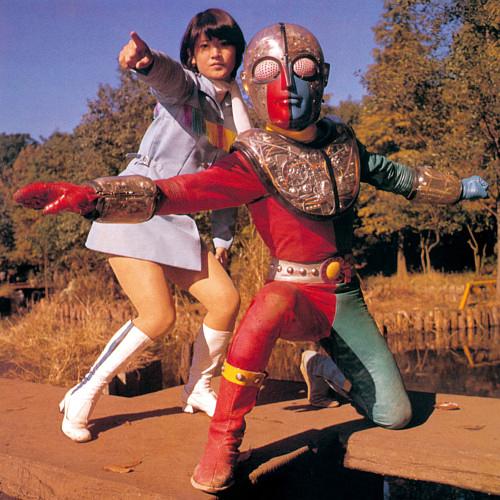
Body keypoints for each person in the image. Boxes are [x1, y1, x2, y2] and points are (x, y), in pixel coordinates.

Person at [14, 22, 489, 494]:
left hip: (340, 293)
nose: (290, 85)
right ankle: (215, 436)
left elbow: (397, 176)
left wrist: (459, 189)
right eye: (270, 72)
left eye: (303, 70)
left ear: (322, 76)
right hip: (263, 274)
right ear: (250, 78)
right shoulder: (232, 131)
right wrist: (97, 196)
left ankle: (308, 371)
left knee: (393, 412)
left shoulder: (327, 139)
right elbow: (186, 184)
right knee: (237, 311)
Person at [50, 8, 251, 443]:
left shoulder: (236, 118)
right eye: (205, 46)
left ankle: (198, 386)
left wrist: (222, 238)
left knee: (225, 300)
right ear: (192, 55)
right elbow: (168, 78)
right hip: (135, 205)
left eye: (224, 45)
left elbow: (230, 182)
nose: (216, 53)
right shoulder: (189, 89)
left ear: (237, 52)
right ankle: (84, 391)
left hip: (177, 217)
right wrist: (146, 62)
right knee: (158, 316)